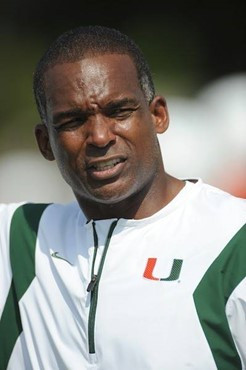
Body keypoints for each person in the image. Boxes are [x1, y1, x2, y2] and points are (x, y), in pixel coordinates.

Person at [0, 25, 245, 370]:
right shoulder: (17, 241)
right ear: (44, 143)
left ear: (157, 115)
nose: (100, 136)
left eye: (119, 112)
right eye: (72, 121)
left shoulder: (235, 238)